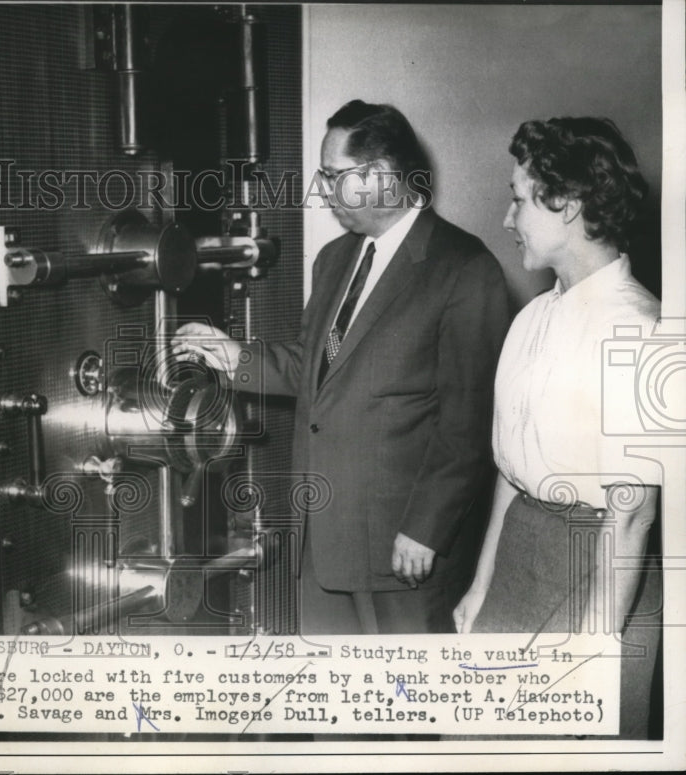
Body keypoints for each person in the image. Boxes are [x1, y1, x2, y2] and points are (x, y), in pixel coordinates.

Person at [173, 100, 510, 634]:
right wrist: (236, 358)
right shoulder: (335, 259)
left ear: (380, 175)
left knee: (405, 708)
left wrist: (427, 529)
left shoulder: (463, 268)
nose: (324, 191)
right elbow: (318, 366)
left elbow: (469, 421)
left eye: (334, 177)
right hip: (323, 538)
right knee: (336, 710)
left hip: (402, 550)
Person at [453, 117, 662, 738]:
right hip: (519, 555)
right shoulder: (534, 318)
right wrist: (482, 586)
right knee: (473, 738)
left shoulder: (643, 332)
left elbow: (633, 517)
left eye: (519, 199)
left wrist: (592, 654)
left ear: (566, 203)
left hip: (599, 571)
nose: (507, 217)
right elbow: (510, 472)